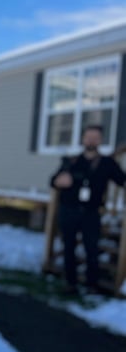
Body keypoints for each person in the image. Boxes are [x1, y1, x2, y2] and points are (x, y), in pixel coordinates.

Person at [50, 124, 126, 294]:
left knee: (91, 248)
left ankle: (92, 284)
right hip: (69, 211)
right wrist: (58, 182)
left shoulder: (107, 163)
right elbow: (54, 180)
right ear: (83, 139)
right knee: (68, 247)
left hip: (91, 213)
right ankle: (71, 282)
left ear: (100, 140)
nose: (91, 140)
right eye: (88, 137)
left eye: (95, 137)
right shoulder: (71, 162)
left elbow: (122, 179)